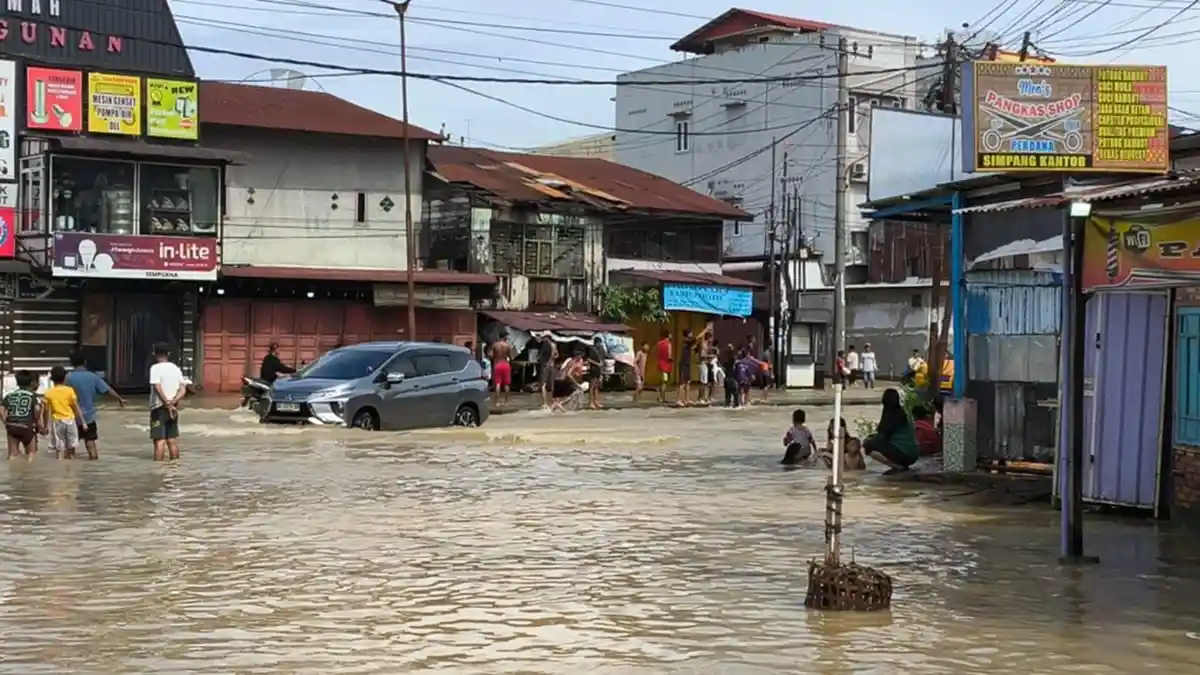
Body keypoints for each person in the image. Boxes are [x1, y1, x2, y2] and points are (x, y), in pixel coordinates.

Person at [66, 351, 125, 460]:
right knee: (90, 442)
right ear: (85, 362)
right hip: (89, 417)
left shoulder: (68, 378)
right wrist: (119, 399)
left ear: (71, 363)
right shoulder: (93, 377)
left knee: (70, 447)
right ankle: (93, 464)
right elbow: (108, 390)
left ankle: (68, 467)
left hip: (72, 417)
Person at [863, 388, 919, 475]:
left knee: (868, 446)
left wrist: (868, 440)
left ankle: (896, 466)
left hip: (903, 453)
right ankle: (900, 465)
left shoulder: (891, 414)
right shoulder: (902, 412)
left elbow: (882, 436)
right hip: (913, 454)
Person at [149, 342, 187, 461]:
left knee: (159, 441)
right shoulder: (176, 369)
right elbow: (183, 389)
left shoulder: (155, 368)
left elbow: (157, 387)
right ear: (169, 353)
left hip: (159, 408)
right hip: (174, 408)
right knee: (172, 440)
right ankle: (175, 467)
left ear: (154, 353)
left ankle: (157, 468)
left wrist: (167, 403)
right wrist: (172, 402)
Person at [43, 365, 85, 460]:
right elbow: (75, 407)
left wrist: (45, 426)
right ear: (65, 377)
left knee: (59, 448)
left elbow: (46, 411)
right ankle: (71, 467)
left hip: (57, 421)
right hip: (70, 420)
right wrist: (83, 422)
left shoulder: (48, 393)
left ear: (52, 379)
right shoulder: (69, 391)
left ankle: (60, 466)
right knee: (72, 447)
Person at [2, 370, 43, 460]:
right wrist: (38, 424)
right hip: (27, 426)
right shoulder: (33, 396)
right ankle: (30, 467)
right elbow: (37, 409)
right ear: (31, 382)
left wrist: (5, 422)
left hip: (12, 425)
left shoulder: (9, 395)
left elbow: (1, 409)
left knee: (12, 454)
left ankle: (11, 466)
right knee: (31, 453)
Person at [489, 336, 513, 408]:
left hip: (497, 364)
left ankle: (497, 402)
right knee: (506, 384)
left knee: (497, 384)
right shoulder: (508, 345)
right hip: (506, 365)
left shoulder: (495, 345)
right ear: (505, 337)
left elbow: (491, 355)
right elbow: (511, 357)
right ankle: (506, 402)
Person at [586, 336, 607, 409]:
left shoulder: (601, 350)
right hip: (594, 369)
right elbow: (588, 359)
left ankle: (596, 401)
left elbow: (603, 358)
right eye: (599, 343)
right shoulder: (592, 349)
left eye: (600, 343)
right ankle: (591, 402)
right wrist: (597, 364)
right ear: (596, 343)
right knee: (592, 387)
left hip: (599, 370)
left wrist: (602, 368)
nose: (600, 344)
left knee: (597, 386)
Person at [538, 335, 558, 409]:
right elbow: (557, 355)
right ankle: (553, 402)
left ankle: (545, 403)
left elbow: (541, 355)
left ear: (547, 338)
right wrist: (552, 358)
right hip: (552, 365)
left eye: (544, 337)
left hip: (545, 366)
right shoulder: (554, 345)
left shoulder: (545, 345)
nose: (543, 339)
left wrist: (540, 359)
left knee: (543, 384)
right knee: (552, 385)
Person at [655, 330, 672, 404]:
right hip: (666, 365)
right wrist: (670, 360)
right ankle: (662, 398)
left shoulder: (659, 343)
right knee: (665, 382)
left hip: (660, 364)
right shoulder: (668, 343)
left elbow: (657, 354)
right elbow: (669, 355)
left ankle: (661, 397)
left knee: (662, 381)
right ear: (668, 335)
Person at [722, 343, 739, 408]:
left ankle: (727, 404)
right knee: (735, 393)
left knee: (728, 393)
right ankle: (736, 404)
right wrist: (731, 349)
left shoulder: (725, 362)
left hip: (726, 379)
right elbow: (731, 355)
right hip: (730, 378)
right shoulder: (731, 361)